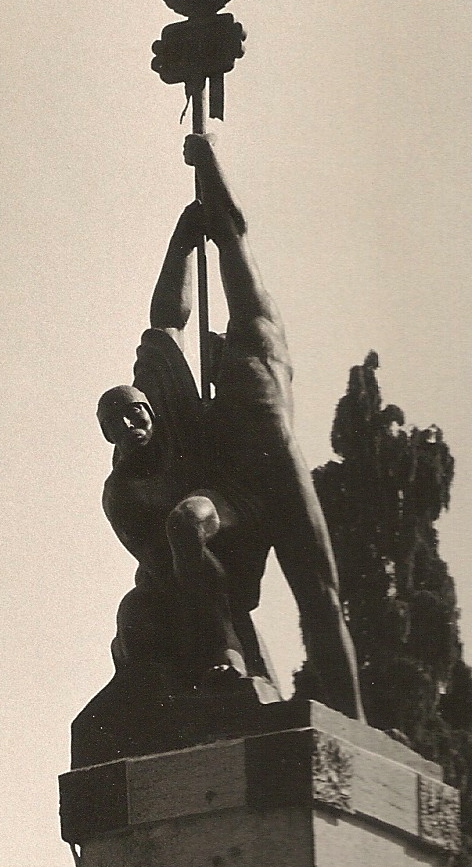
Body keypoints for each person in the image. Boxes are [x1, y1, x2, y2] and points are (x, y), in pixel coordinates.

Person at [98, 133, 362, 718]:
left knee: (320, 599)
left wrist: (208, 161)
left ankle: (355, 720)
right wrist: (181, 242)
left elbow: (233, 230)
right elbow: (167, 323)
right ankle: (227, 649)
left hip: (282, 480)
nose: (209, 348)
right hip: (238, 494)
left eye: (216, 343)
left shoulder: (259, 345)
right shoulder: (206, 416)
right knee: (186, 524)